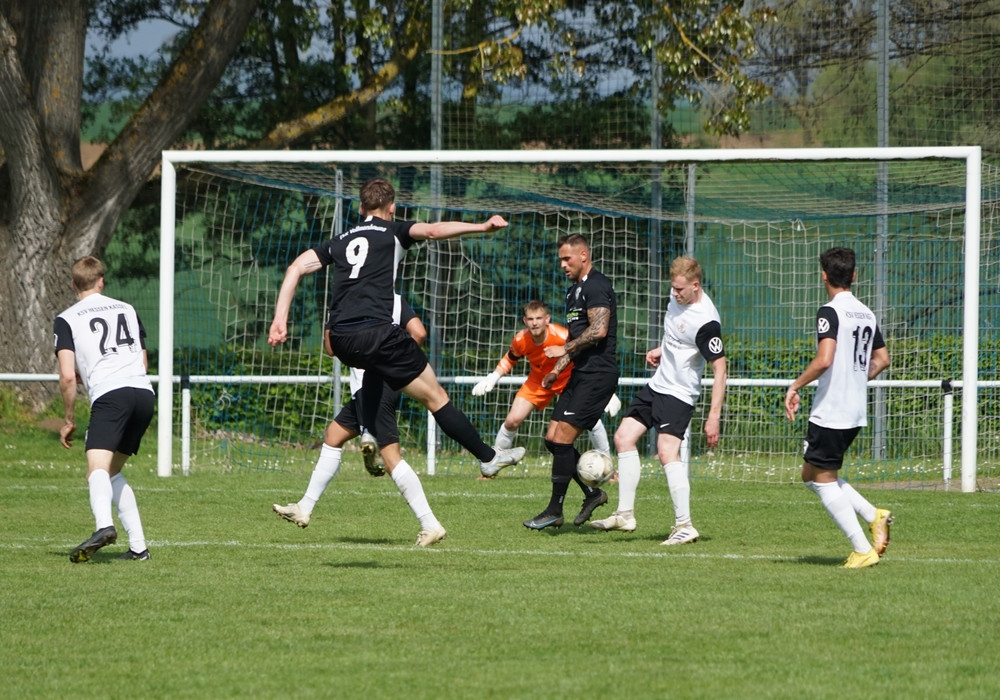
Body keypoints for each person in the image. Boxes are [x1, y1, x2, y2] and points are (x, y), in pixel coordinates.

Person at [268, 177, 525, 482]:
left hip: (342, 339)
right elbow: (433, 230)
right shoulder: (394, 231)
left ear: (361, 208)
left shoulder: (340, 240)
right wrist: (481, 227)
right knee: (435, 397)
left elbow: (295, 268)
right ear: (392, 207)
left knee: (373, 382)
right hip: (377, 333)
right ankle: (488, 457)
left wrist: (279, 320)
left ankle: (367, 429)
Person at [273, 295, 450, 546]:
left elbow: (331, 349)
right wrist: (398, 361)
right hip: (374, 388)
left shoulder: (349, 302)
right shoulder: (392, 299)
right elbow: (419, 333)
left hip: (376, 387)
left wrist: (332, 322)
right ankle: (304, 507)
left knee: (391, 459)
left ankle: (430, 524)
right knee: (333, 435)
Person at [591, 256, 727, 546]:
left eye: (680, 289)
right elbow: (677, 334)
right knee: (623, 437)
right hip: (658, 385)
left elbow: (720, 370)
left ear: (695, 285)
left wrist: (713, 416)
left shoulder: (706, 322)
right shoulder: (677, 296)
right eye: (672, 288)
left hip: (679, 394)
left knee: (667, 452)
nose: (674, 294)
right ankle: (625, 514)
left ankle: (685, 525)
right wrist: (662, 349)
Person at [784, 247, 893, 569]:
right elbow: (882, 359)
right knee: (811, 474)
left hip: (832, 411)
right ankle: (874, 515)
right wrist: (857, 378)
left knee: (822, 480)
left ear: (824, 276)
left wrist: (795, 386)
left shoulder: (830, 312)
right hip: (855, 410)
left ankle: (862, 549)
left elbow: (824, 359)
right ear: (854, 275)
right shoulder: (866, 313)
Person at [55, 256, 154, 562]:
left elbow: (67, 376)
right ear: (101, 281)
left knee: (96, 469)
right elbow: (142, 360)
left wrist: (68, 419)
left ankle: (104, 527)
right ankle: (139, 549)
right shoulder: (127, 309)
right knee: (111, 472)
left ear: (74, 285)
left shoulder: (66, 318)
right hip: (144, 394)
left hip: (112, 395)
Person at [523, 234, 619, 530]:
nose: (563, 265)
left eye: (567, 259)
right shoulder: (573, 292)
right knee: (552, 440)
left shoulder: (596, 286)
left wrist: (563, 349)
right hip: (580, 372)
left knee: (563, 439)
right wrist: (557, 369)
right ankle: (592, 494)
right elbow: (578, 340)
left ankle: (554, 510)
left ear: (583, 255)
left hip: (598, 375)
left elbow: (599, 331)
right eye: (560, 260)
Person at [470, 299, 620, 465]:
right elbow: (510, 359)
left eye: (538, 318)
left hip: (568, 380)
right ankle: (494, 462)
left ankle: (607, 464)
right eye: (530, 319)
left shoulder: (562, 335)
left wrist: (603, 391)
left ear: (547, 319)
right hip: (538, 381)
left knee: (591, 420)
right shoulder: (520, 340)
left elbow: (586, 356)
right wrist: (493, 377)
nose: (534, 323)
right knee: (512, 420)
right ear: (525, 321)